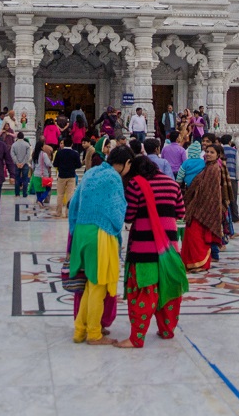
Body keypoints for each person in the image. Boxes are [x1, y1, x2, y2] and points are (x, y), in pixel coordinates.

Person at [116, 151, 186, 348]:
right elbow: (180, 211)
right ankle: (166, 330)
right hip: (169, 248)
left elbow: (129, 216)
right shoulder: (173, 185)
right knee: (169, 289)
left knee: (143, 292)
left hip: (142, 248)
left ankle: (136, 337)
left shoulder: (135, 184)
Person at [69, 145, 131, 346]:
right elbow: (117, 210)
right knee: (99, 285)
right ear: (125, 163)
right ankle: (94, 333)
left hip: (82, 230)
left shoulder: (92, 172)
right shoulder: (113, 178)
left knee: (90, 283)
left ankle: (81, 329)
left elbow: (74, 202)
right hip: (101, 233)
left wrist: (74, 230)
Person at [180, 144, 224, 271]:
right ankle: (193, 262)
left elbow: (209, 192)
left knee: (196, 237)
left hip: (203, 209)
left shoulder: (214, 168)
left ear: (218, 155)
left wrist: (200, 208)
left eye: (212, 152)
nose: (208, 154)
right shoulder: (207, 167)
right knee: (192, 236)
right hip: (197, 207)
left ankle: (199, 263)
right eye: (207, 151)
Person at [53, 140, 83, 218]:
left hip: (61, 175)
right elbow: (79, 165)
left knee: (60, 195)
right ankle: (68, 213)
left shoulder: (59, 153)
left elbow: (55, 164)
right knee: (70, 194)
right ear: (72, 144)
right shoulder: (75, 153)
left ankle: (58, 212)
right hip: (71, 175)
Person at [32, 142, 54, 214]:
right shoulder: (43, 154)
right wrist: (51, 165)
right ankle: (40, 200)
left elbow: (32, 166)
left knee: (38, 190)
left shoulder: (34, 154)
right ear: (41, 147)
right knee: (48, 188)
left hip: (36, 174)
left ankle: (40, 201)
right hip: (44, 174)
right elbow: (48, 163)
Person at [10, 131, 32, 197]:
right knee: (25, 179)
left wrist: (17, 162)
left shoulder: (14, 145)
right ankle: (24, 193)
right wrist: (23, 163)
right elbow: (28, 155)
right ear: (23, 137)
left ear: (17, 137)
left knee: (17, 179)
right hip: (24, 164)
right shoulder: (27, 144)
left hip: (16, 164)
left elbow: (12, 154)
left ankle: (17, 193)